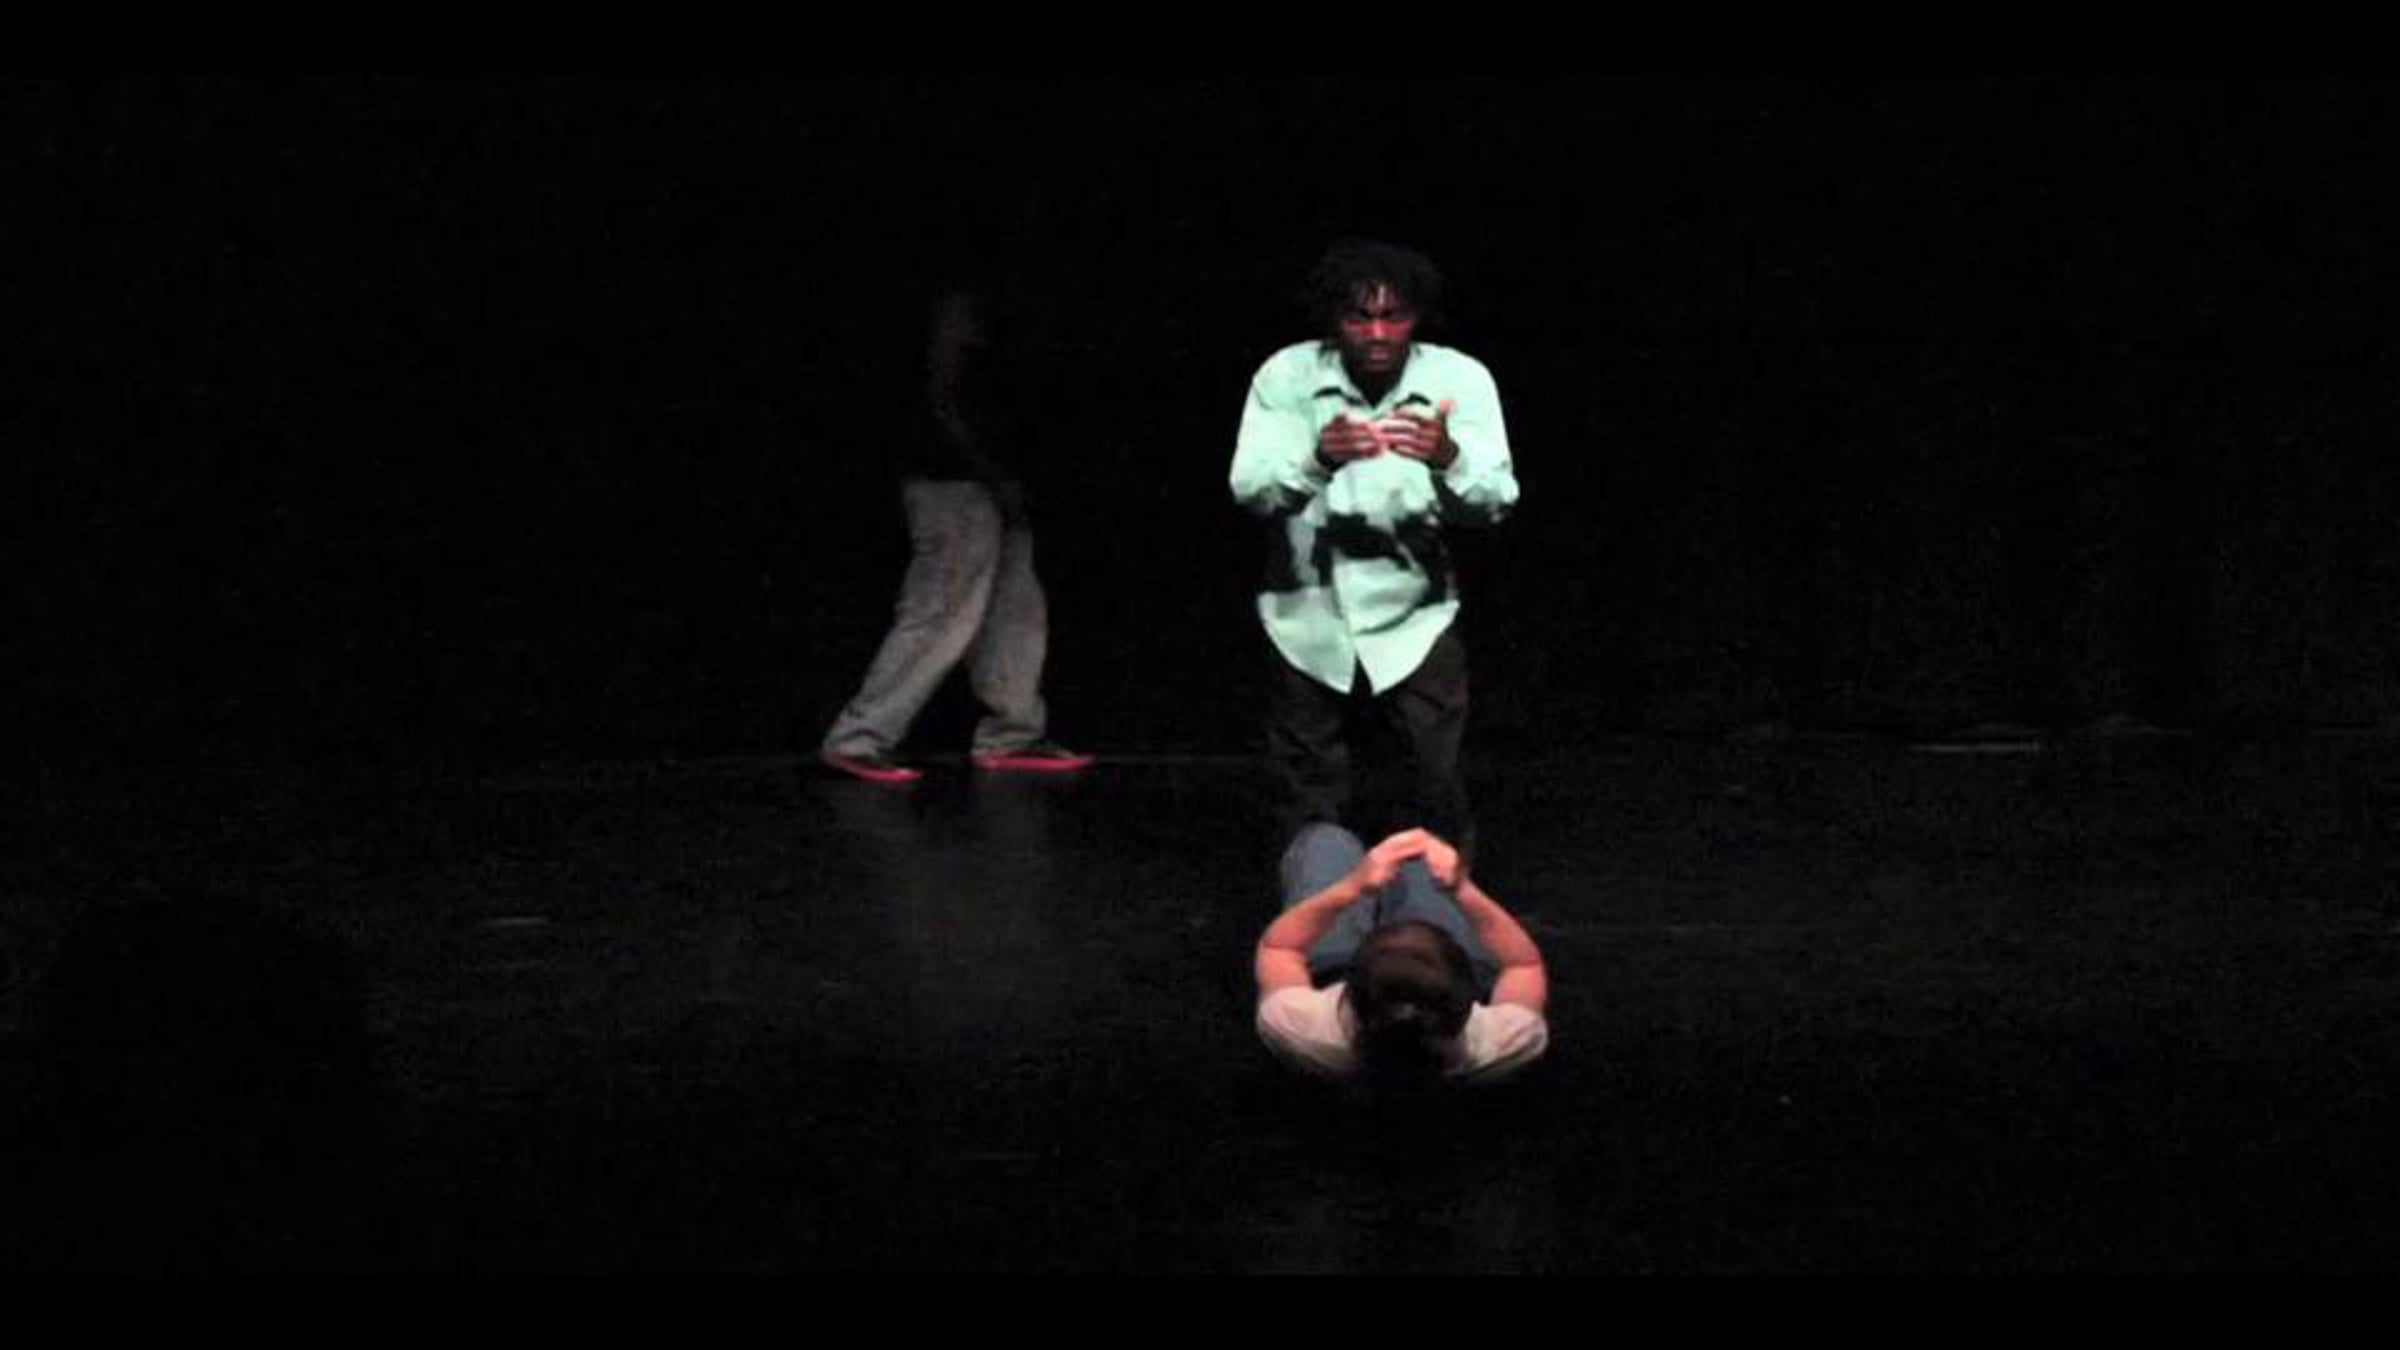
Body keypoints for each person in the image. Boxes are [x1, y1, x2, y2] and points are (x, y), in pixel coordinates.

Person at [1228, 240, 1517, 861]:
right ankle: (1318, 905)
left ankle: (1439, 907)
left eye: (1394, 316)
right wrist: (1317, 459)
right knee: (1308, 789)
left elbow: (1496, 500)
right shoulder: (1288, 376)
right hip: (1307, 614)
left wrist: (1448, 457)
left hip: (1414, 612)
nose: (1378, 334)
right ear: (1333, 318)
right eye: (1360, 317)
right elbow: (1251, 489)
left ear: (1418, 316)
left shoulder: (1459, 379)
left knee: (1434, 780)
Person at [821, 286, 1093, 784]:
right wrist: (988, 469)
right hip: (953, 481)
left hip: (996, 481)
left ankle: (1011, 734)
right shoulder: (956, 303)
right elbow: (942, 397)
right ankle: (859, 736)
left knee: (1015, 610)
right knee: (941, 609)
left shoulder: (1003, 320)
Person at [1254, 824, 1548, 1087]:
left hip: (1336, 970)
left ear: (1349, 993)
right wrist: (1461, 887)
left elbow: (1279, 948)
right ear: (1465, 1004)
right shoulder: (1504, 1043)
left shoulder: (1300, 1029)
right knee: (1421, 865)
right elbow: (1524, 965)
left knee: (1327, 840)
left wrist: (1352, 886)